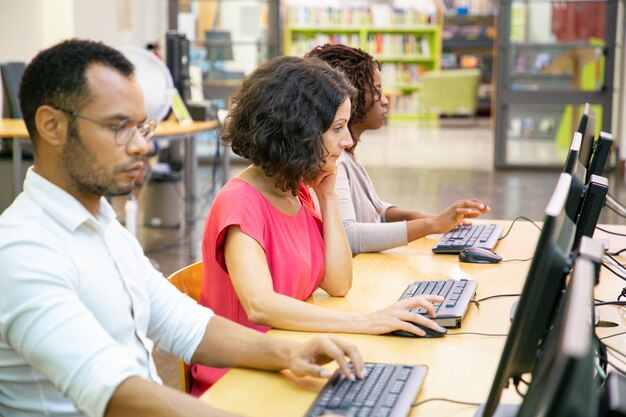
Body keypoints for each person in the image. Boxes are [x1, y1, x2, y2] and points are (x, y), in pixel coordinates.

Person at [0, 39, 365, 417]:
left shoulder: (107, 230)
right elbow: (112, 391)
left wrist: (289, 352)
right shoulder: (21, 251)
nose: (143, 146)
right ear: (51, 125)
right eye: (119, 127)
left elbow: (191, 328)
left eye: (142, 126)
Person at [195, 55, 445, 395]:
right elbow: (260, 305)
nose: (347, 142)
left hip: (294, 354)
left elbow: (338, 282)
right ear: (299, 130)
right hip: (241, 379)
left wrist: (327, 197)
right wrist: (365, 321)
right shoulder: (240, 202)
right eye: (337, 129)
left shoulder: (299, 191)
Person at [305, 44, 491, 255]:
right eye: (376, 91)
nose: (384, 101)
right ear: (350, 95)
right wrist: (431, 225)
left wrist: (425, 217)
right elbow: (350, 235)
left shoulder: (348, 154)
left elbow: (373, 211)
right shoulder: (335, 160)